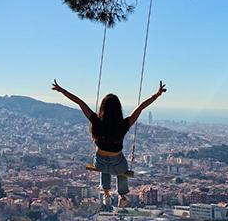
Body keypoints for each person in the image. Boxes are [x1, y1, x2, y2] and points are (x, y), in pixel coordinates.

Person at [52, 79, 167, 208]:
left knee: (103, 165)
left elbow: (79, 103)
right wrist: (157, 95)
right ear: (118, 109)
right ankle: (122, 196)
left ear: (103, 108)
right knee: (123, 171)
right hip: (118, 163)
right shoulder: (123, 124)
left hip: (100, 162)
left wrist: (62, 90)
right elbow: (140, 108)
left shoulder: (96, 121)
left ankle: (106, 193)